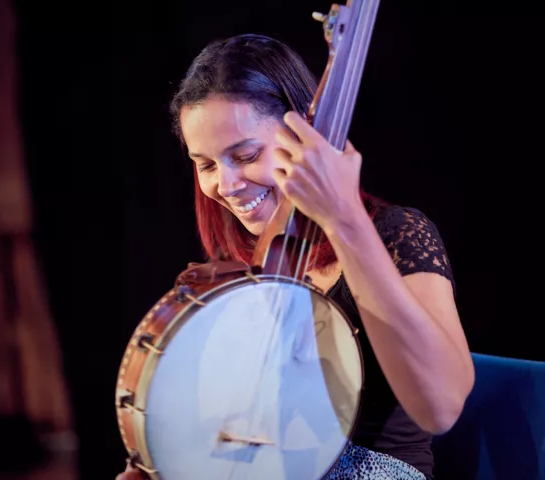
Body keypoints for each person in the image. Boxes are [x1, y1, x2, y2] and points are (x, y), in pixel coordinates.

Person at [116, 33, 474, 480]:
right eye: (206, 165)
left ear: (301, 139)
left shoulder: (396, 234)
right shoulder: (242, 262)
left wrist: (345, 220)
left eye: (245, 155)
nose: (225, 186)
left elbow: (441, 407)